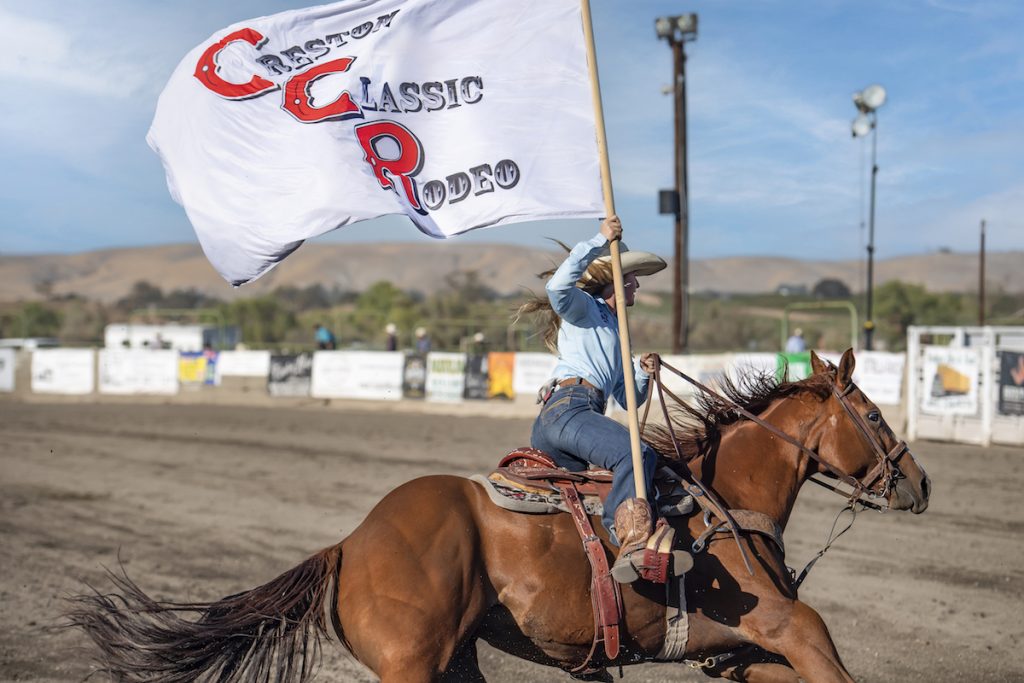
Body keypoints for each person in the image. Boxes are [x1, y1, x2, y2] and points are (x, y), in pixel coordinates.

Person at [521, 215, 667, 583]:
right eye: (632, 279)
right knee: (636, 454)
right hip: (570, 407)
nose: (636, 285)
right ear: (614, 283)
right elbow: (557, 289)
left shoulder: (618, 336)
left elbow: (629, 400)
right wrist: (598, 240)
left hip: (566, 415)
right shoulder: (585, 307)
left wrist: (642, 372)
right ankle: (626, 539)